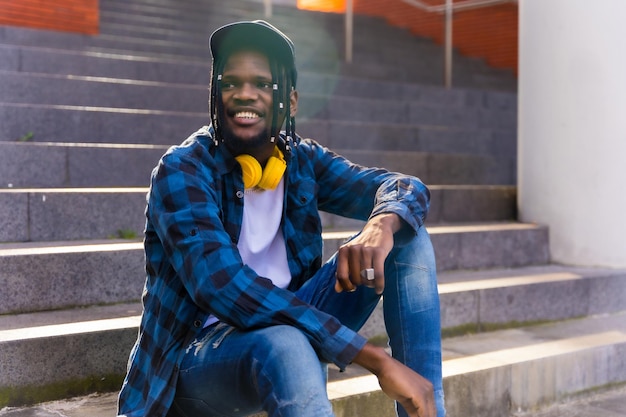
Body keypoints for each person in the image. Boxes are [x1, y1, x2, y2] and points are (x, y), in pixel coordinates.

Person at [117, 19, 445, 417]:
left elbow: (405, 187)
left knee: (406, 234)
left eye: (262, 85)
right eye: (230, 83)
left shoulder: (301, 161)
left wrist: (380, 224)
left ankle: (427, 411)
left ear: (289, 102)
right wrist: (375, 358)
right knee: (285, 341)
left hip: (286, 326)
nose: (244, 94)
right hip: (194, 361)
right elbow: (223, 287)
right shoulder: (183, 170)